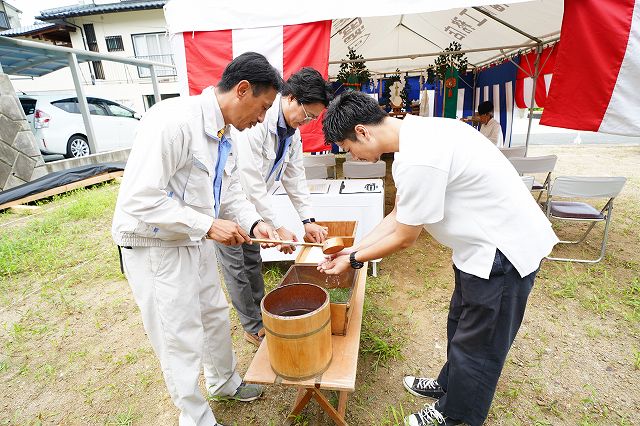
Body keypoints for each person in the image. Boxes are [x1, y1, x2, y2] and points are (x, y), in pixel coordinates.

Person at [318, 91, 558, 426]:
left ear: (362, 131)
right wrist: (352, 249)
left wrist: (354, 260)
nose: (352, 156)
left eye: (348, 148)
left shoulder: (419, 156)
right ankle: (449, 387)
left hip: (503, 253)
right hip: (477, 251)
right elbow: (399, 215)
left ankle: (455, 416)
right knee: (460, 326)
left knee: (480, 346)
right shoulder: (414, 137)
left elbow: (404, 238)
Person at [111, 52, 283, 426]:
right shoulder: (173, 122)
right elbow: (139, 198)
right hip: (155, 246)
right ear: (242, 90)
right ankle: (194, 417)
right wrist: (207, 225)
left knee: (214, 314)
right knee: (179, 335)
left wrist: (255, 225)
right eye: (263, 107)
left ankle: (224, 382)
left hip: (193, 239)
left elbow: (231, 190)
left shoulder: (224, 134)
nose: (261, 118)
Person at [217, 67, 333, 346]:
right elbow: (250, 180)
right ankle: (252, 325)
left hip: (255, 209)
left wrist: (308, 220)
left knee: (253, 260)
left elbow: (295, 176)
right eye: (307, 114)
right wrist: (278, 225)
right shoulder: (258, 122)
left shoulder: (291, 133)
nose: (307, 122)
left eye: (313, 119)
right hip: (231, 205)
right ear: (291, 98)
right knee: (237, 266)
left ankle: (261, 315)